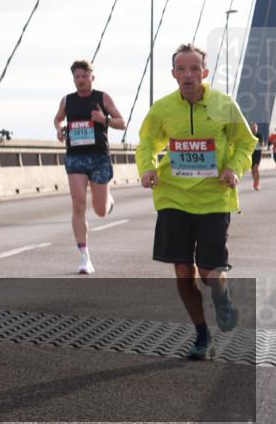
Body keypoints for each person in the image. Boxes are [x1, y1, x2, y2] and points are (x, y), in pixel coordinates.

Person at [136, 43, 256, 360]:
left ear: (204, 73)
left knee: (208, 270)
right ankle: (202, 336)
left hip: (214, 198)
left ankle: (222, 295)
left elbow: (246, 142)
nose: (188, 75)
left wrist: (234, 168)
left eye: (194, 69)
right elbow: (146, 142)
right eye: (181, 69)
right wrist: (147, 169)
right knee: (182, 270)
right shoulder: (162, 109)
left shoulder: (223, 104)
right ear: (174, 74)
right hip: (173, 196)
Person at [53, 60, 124, 274]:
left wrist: (104, 119)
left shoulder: (102, 98)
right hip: (75, 157)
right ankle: (85, 256)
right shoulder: (67, 100)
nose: (81, 80)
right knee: (78, 203)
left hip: (98, 157)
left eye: (85, 76)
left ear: (92, 77)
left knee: (100, 210)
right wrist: (60, 129)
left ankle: (108, 202)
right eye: (77, 77)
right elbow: (57, 119)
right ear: (73, 78)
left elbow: (122, 122)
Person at [250, 122, 263, 190]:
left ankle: (257, 184)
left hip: (258, 154)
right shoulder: (249, 135)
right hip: (251, 154)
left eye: (255, 128)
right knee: (252, 170)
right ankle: (255, 182)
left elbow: (260, 146)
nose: (254, 129)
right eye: (252, 128)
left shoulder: (259, 135)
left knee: (256, 168)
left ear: (257, 128)